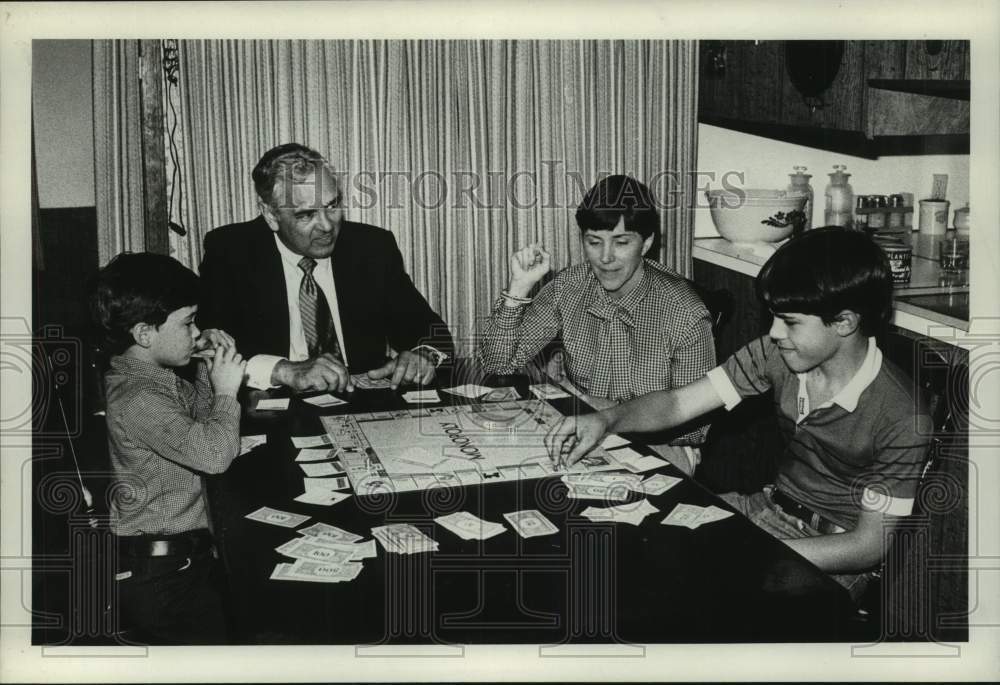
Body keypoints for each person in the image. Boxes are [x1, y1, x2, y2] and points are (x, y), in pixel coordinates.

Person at [545, 227, 934, 600]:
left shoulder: (902, 415)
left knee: (707, 602)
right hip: (766, 509)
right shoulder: (776, 353)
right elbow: (679, 403)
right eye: (775, 317)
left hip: (832, 555)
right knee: (633, 546)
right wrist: (606, 420)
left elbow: (869, 547)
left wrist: (754, 549)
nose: (776, 332)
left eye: (791, 322)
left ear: (845, 322)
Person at [480, 175, 715, 474]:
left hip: (658, 445)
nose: (605, 258)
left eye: (621, 242)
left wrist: (603, 409)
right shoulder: (568, 286)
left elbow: (695, 429)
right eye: (594, 242)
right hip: (579, 427)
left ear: (646, 244)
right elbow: (498, 364)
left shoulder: (685, 312)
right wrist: (518, 289)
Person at [198, 143, 453, 393]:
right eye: (306, 215)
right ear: (270, 215)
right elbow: (207, 350)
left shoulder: (372, 248)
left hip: (361, 400)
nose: (327, 226)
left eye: (332, 206)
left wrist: (424, 355)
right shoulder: (230, 252)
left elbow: (432, 334)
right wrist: (285, 371)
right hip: (273, 404)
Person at [91, 252, 246, 644]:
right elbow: (213, 454)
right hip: (161, 575)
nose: (197, 332)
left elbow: (198, 422)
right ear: (144, 334)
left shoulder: (153, 377)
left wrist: (209, 369)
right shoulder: (138, 398)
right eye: (188, 323)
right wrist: (228, 389)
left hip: (176, 560)